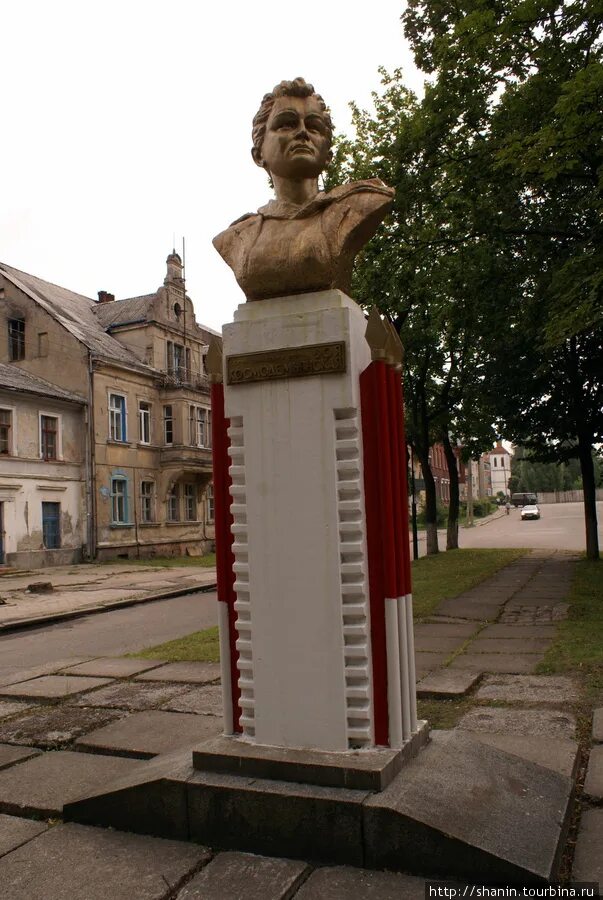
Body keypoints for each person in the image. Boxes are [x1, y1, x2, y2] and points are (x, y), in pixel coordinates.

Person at [213, 77, 395, 301]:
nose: (302, 133)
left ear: (328, 156)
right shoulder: (237, 236)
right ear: (259, 154)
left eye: (314, 126)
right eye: (286, 123)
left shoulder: (360, 204)